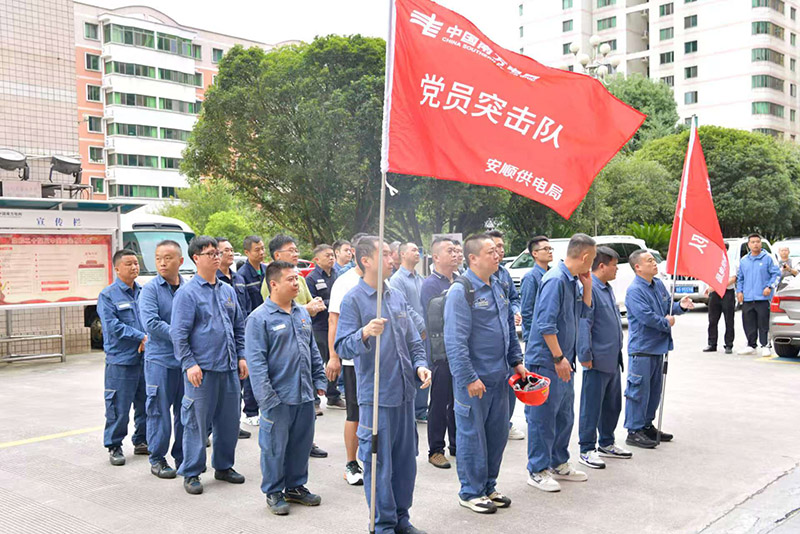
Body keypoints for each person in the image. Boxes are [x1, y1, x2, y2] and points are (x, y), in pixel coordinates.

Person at [335, 236, 431, 534]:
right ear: (366, 260)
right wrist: (364, 332)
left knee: (405, 465)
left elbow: (413, 340)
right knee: (379, 466)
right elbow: (342, 346)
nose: (393, 259)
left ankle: (401, 519)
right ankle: (382, 525)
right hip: (377, 398)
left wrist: (421, 365)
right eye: (386, 254)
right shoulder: (354, 299)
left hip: (404, 395)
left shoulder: (395, 295)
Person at [444, 234, 526, 513]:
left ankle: (489, 487)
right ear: (473, 258)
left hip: (500, 376)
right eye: (490, 251)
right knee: (471, 436)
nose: (497, 255)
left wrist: (516, 361)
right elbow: (455, 341)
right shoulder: (462, 291)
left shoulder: (499, 286)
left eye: (498, 250)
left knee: (496, 435)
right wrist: (468, 377)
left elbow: (508, 329)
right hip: (474, 381)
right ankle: (470, 492)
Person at [245, 261, 327, 515]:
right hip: (277, 397)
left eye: (297, 279)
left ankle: (295, 486)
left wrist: (319, 379)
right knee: (274, 447)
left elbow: (312, 349)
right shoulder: (259, 319)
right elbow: (256, 363)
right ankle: (273, 491)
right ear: (274, 284)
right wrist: (266, 397)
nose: (296, 284)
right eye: (291, 279)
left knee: (301, 444)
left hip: (303, 393)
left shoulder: (301, 313)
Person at [171, 236, 248, 495]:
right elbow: (179, 334)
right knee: (195, 422)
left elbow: (239, 326)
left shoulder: (227, 290)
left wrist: (241, 356)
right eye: (210, 253)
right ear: (196, 258)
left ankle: (224, 466)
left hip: (227, 368)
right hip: (201, 372)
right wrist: (189, 363)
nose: (217, 257)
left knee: (229, 421)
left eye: (218, 252)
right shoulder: (187, 293)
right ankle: (191, 471)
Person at [525, 234, 596, 493]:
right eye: (593, 258)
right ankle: (537, 469)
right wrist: (558, 358)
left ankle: (558, 462)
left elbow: (583, 315)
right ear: (586, 256)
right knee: (543, 417)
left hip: (565, 360)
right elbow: (545, 324)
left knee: (564, 414)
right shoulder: (555, 279)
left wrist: (587, 288)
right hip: (548, 361)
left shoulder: (573, 281)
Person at [261, 234, 328, 457]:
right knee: (278, 441)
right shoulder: (268, 288)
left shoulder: (299, 278)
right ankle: (275, 488)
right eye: (291, 250)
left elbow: (307, 304)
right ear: (277, 255)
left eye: (297, 249)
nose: (296, 253)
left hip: (303, 355)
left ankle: (298, 479)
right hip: (281, 369)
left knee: (303, 426)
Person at [625, 249, 694, 450]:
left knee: (654, 391)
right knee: (638, 391)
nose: (654, 263)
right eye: (649, 261)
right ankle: (634, 430)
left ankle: (646, 425)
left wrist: (680, 306)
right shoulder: (635, 290)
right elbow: (646, 317)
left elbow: (666, 307)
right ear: (637, 267)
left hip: (658, 348)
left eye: (654, 260)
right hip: (643, 348)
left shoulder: (657, 285)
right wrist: (666, 322)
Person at [576, 246, 632, 470]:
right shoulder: (589, 289)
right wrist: (585, 354)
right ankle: (586, 448)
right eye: (614, 265)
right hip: (596, 359)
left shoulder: (606, 288)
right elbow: (584, 323)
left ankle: (606, 442)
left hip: (612, 357)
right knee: (591, 406)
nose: (617, 269)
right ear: (601, 266)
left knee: (612, 404)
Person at [139, 240, 186, 478]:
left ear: (181, 261)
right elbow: (152, 324)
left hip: (185, 361)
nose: (162, 262)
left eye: (168, 258)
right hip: (160, 360)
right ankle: (157, 458)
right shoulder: (150, 289)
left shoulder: (187, 288)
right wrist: (182, 334)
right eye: (158, 258)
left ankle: (182, 457)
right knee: (158, 411)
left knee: (184, 413)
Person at [98, 249, 148, 466]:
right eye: (128, 264)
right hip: (121, 360)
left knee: (146, 402)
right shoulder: (108, 295)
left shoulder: (144, 292)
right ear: (117, 268)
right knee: (118, 405)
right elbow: (113, 327)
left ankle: (142, 441)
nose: (134, 267)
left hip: (145, 359)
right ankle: (114, 445)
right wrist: (141, 337)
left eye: (136, 263)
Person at [419, 237, 459, 469]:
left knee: (458, 401)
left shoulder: (460, 280)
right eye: (449, 251)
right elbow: (435, 319)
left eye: (456, 250)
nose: (455, 254)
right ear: (436, 257)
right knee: (440, 402)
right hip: (440, 352)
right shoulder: (431, 285)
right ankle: (436, 449)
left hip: (458, 350)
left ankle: (456, 444)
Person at [327, 259, 366, 486]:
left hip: (379, 361)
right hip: (353, 360)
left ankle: (371, 460)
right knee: (355, 412)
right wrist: (334, 356)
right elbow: (334, 320)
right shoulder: (345, 282)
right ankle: (351, 463)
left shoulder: (384, 280)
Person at [486, 231, 523, 442]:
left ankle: (505, 423)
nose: (500, 251)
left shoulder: (504, 274)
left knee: (509, 384)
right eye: (494, 247)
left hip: (507, 340)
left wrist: (515, 311)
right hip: (488, 350)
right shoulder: (469, 281)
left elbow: (513, 299)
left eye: (501, 247)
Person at [389, 242, 429, 423]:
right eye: (413, 250)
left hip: (424, 331)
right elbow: (405, 308)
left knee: (424, 366)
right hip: (413, 331)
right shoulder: (397, 279)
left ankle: (421, 408)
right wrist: (420, 326)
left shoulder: (420, 278)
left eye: (418, 250)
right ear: (402, 254)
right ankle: (415, 409)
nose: (417, 253)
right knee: (413, 367)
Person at [306, 244, 345, 410]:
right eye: (327, 255)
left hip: (337, 324)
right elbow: (314, 302)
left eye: (332, 255)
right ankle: (314, 398)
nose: (331, 258)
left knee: (336, 359)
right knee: (320, 361)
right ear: (317, 259)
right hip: (320, 326)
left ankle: (332, 394)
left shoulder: (337, 275)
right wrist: (334, 304)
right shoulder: (311, 278)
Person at [238, 235, 268, 426]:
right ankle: (250, 410)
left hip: (269, 324)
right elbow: (244, 306)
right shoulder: (242, 275)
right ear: (247, 252)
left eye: (263, 248)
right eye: (257, 249)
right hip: (253, 324)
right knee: (252, 367)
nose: (261, 252)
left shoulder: (267, 270)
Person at [736, 234, 780, 356]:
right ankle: (751, 345)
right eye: (753, 242)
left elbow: (776, 274)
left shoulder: (768, 258)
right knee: (748, 322)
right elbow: (740, 278)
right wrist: (739, 291)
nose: (755, 244)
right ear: (748, 245)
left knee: (763, 322)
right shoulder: (744, 261)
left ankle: (765, 345)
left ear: (761, 243)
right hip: (748, 298)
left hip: (763, 298)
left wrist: (769, 287)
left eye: (757, 242)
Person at [520, 236, 552, 342]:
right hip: (537, 337)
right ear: (535, 253)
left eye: (550, 249)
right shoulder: (530, 277)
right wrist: (532, 337)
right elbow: (527, 311)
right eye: (545, 249)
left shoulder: (554, 275)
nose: (549, 252)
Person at [703, 265, 737, 355]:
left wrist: (718, 286)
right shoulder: (712, 262)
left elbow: (733, 278)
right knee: (712, 320)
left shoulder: (730, 261)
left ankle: (729, 344)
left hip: (727, 292)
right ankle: (712, 344)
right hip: (714, 293)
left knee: (729, 320)